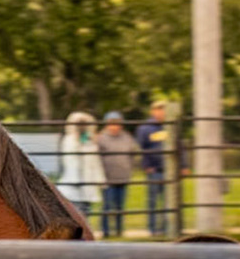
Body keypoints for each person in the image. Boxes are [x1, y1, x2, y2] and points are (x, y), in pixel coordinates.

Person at [95, 111, 142, 240]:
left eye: (117, 123)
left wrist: (129, 168)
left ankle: (119, 230)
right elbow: (96, 157)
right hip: (107, 178)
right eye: (111, 124)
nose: (115, 126)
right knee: (107, 206)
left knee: (120, 206)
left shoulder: (127, 137)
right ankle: (106, 231)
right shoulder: (101, 138)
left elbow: (133, 153)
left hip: (123, 177)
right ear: (107, 125)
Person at [56, 110, 105, 230]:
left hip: (88, 183)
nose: (81, 127)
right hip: (73, 183)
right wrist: (79, 142)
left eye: (84, 124)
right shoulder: (69, 140)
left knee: (85, 212)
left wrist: (100, 179)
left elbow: (95, 161)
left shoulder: (90, 141)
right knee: (75, 213)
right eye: (79, 124)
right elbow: (70, 159)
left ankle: (84, 235)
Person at [135, 100, 173, 237]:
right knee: (153, 201)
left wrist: (184, 165)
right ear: (153, 111)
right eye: (158, 110)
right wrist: (146, 165)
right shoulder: (145, 128)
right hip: (154, 171)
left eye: (163, 110)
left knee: (168, 202)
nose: (161, 113)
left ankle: (165, 228)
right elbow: (140, 149)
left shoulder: (170, 126)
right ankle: (152, 229)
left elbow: (179, 146)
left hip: (169, 171)